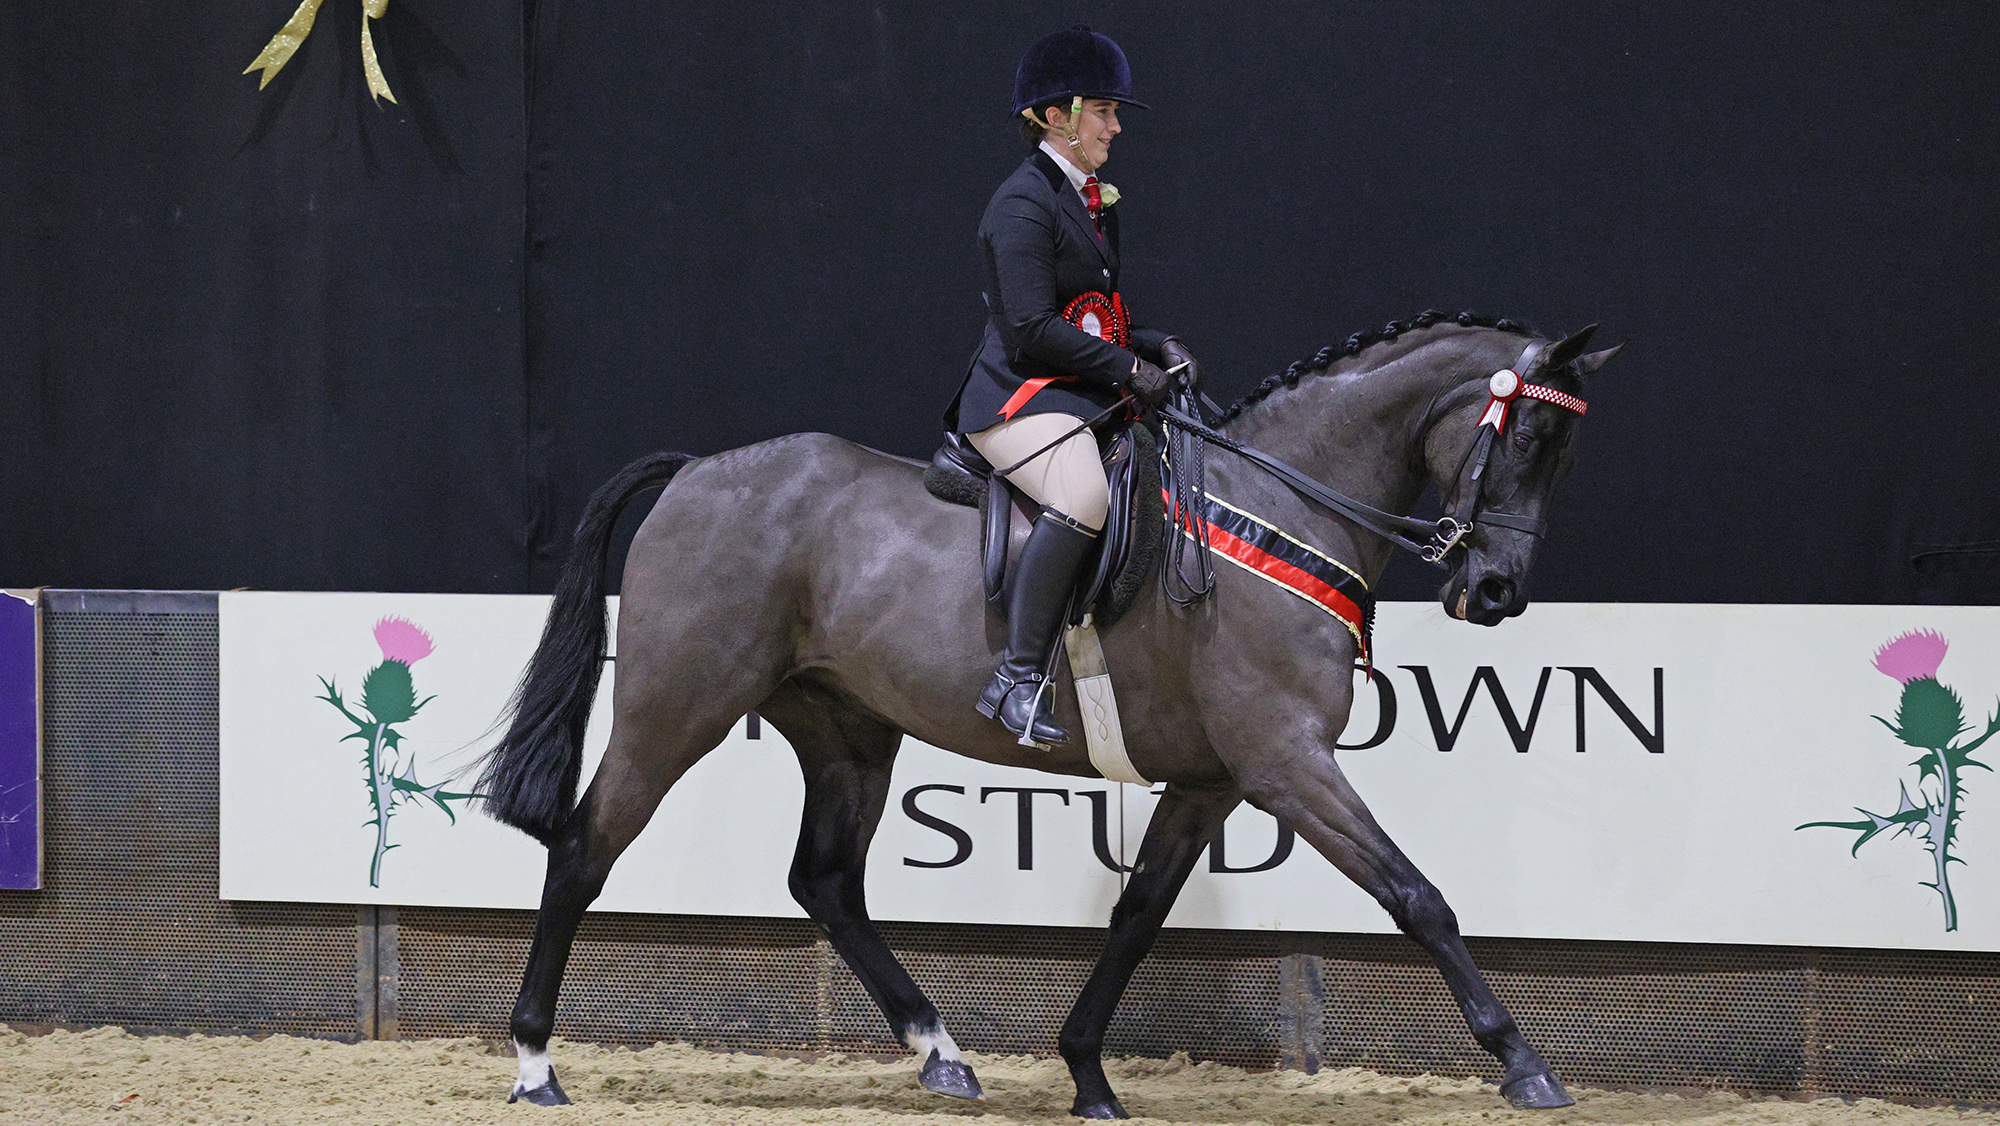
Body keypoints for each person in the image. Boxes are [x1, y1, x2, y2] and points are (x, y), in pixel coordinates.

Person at [943, 26, 1199, 747]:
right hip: (1015, 397)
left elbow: (1095, 316)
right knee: (1084, 494)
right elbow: (1030, 327)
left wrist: (1154, 346)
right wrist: (1128, 369)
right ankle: (1017, 679)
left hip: (1077, 391)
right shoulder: (1021, 203)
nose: (1116, 127)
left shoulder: (1092, 199)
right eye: (1104, 112)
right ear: (1056, 115)